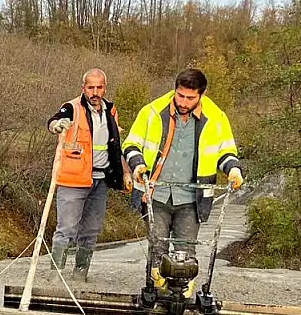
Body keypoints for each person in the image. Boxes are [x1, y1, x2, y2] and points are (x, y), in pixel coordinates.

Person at [122, 68, 244, 296]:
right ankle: (156, 289)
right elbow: (130, 144)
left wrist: (234, 170)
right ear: (174, 90)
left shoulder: (216, 119)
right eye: (180, 96)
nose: (184, 102)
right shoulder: (152, 112)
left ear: (202, 95)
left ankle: (183, 291)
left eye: (190, 98)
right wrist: (138, 164)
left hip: (193, 197)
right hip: (155, 193)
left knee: (186, 250)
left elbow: (225, 151)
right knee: (157, 248)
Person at [45, 68, 128, 282]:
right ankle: (56, 276)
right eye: (90, 87)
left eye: (99, 87)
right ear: (84, 88)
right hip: (73, 180)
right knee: (66, 229)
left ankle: (80, 274)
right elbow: (54, 121)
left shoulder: (110, 111)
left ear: (105, 88)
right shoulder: (72, 108)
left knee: (91, 231)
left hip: (100, 181)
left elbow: (115, 146)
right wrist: (57, 126)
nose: (95, 91)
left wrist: (124, 172)